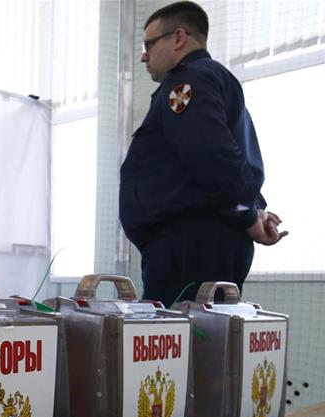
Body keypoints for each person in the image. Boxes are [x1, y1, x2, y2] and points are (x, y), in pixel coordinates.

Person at [119, 1, 288, 306]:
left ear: (178, 38)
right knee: (201, 343)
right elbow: (229, 158)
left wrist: (247, 215)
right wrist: (252, 211)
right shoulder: (210, 80)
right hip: (199, 243)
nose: (144, 55)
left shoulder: (187, 83)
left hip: (189, 248)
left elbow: (212, 156)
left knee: (178, 347)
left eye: (149, 44)